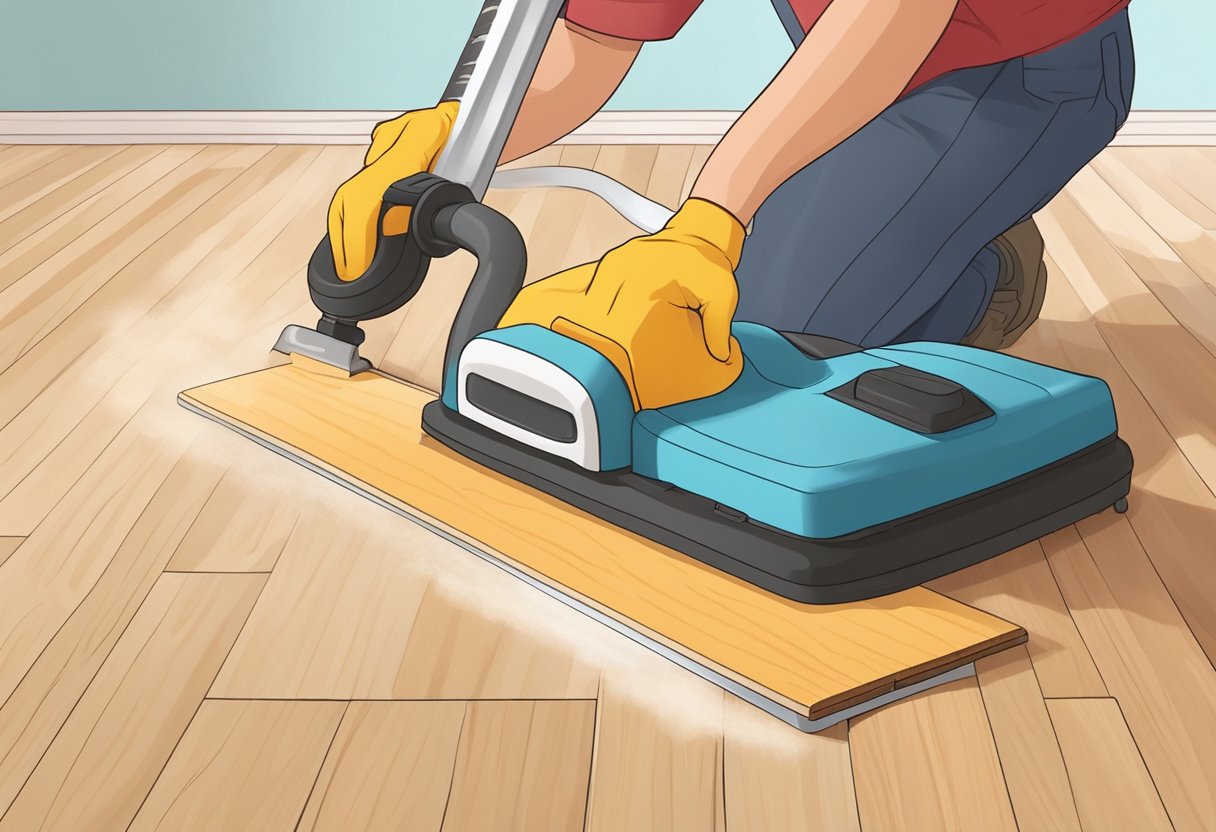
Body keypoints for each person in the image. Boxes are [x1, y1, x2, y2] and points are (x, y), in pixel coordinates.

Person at [328, 0, 1135, 410]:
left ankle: (985, 267)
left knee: (761, 342)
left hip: (1016, 72)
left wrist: (714, 220)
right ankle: (907, 208)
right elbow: (598, 36)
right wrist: (455, 139)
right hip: (858, 46)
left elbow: (897, 14)